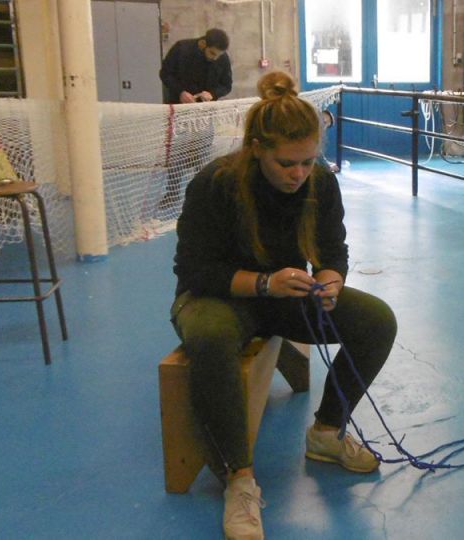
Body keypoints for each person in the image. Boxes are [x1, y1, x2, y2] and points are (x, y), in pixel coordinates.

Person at [170, 70, 397, 540]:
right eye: (286, 164)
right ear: (257, 149)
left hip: (281, 294)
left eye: (308, 161)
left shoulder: (319, 181)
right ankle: (239, 479)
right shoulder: (215, 183)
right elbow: (194, 271)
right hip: (217, 296)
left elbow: (333, 250)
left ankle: (326, 433)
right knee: (210, 337)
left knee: (376, 321)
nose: (299, 174)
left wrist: (331, 280)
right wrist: (264, 283)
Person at [158, 28, 234, 214]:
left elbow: (227, 85)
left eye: (218, 55)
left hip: (204, 113)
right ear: (202, 44)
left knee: (202, 154)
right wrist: (180, 92)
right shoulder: (181, 49)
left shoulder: (222, 58)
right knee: (177, 152)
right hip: (180, 111)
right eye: (212, 53)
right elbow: (165, 73)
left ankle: (203, 193)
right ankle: (172, 193)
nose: (215, 58)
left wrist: (213, 93)